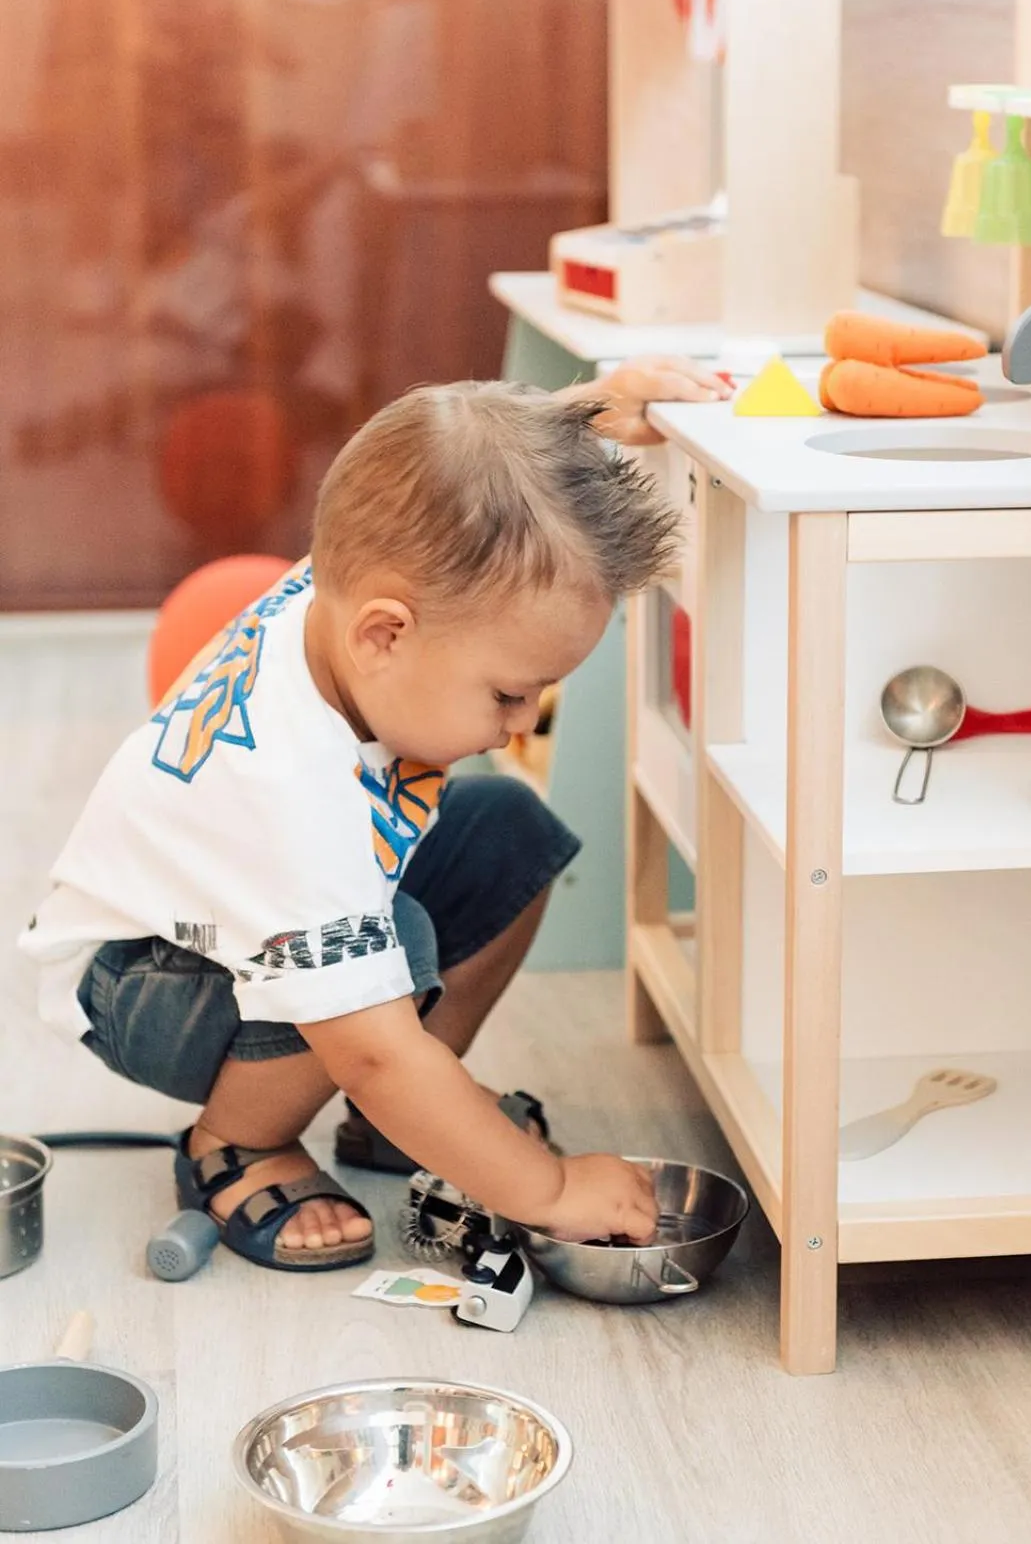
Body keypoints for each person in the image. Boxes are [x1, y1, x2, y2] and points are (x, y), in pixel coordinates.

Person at [19, 363, 731, 1272]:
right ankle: (236, 1145)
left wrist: (582, 412)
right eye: (511, 694)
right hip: (139, 987)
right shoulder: (286, 800)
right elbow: (375, 1051)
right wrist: (544, 1188)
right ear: (386, 636)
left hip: (215, 936)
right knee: (387, 952)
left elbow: (447, 486)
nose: (520, 728)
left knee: (509, 826)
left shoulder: (360, 578)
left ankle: (407, 1128)